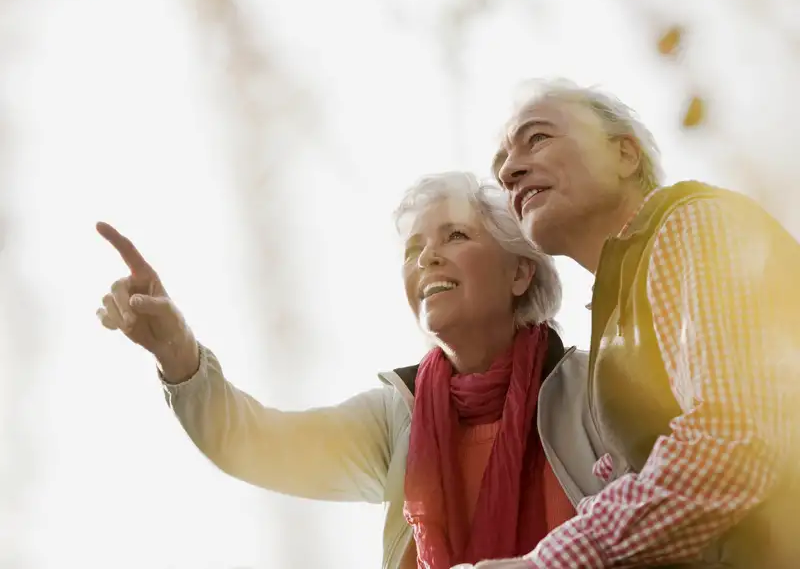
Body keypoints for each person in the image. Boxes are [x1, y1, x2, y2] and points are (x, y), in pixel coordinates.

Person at [95, 171, 608, 569]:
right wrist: (177, 353)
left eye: (455, 236)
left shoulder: (594, 388)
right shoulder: (395, 416)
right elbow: (254, 444)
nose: (428, 257)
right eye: (414, 249)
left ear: (520, 271)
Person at [483, 79, 800, 569]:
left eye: (538, 138)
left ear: (625, 155)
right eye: (502, 163)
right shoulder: (619, 310)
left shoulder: (694, 226)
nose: (508, 171)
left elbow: (734, 439)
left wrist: (543, 564)